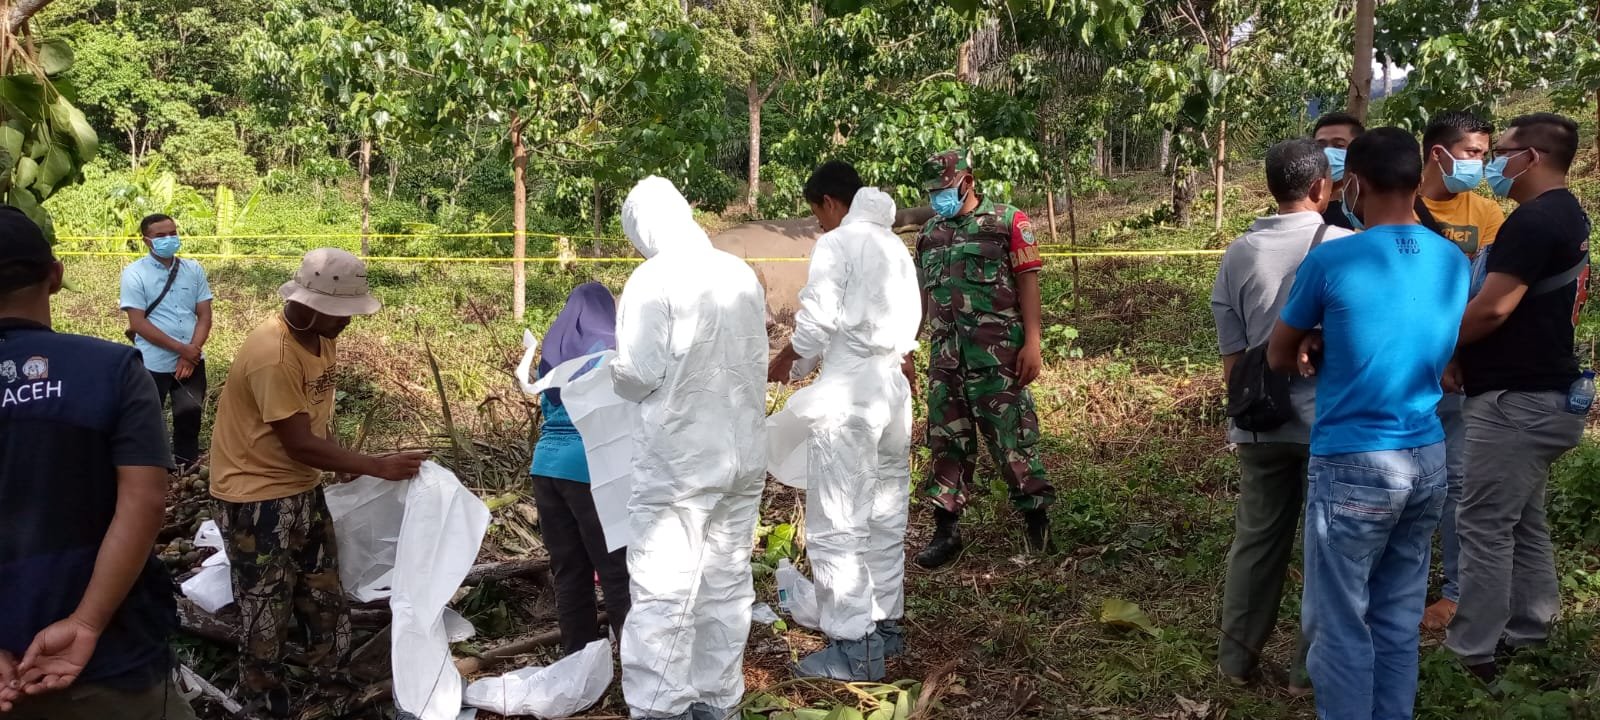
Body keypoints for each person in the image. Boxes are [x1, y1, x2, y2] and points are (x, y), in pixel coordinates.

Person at [1268, 127, 1468, 720]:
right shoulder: (1453, 259)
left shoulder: (1332, 258)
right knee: (1397, 618)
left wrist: (1317, 341)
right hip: (1427, 457)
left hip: (1355, 462)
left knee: (1341, 625)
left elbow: (1280, 354)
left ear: (1353, 182)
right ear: (1417, 178)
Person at [207, 248, 428, 717]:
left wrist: (344, 460)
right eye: (341, 313)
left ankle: (331, 686)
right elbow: (299, 444)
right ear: (310, 304)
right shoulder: (273, 354)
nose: (347, 322)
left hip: (301, 489)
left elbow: (315, 414)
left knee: (324, 592)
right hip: (256, 497)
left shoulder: (321, 338)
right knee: (266, 606)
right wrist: (375, 465)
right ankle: (265, 701)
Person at [0, 206, 197, 720]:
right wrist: (87, 623)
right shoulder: (109, 368)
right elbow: (144, 501)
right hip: (107, 663)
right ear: (56, 276)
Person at [610, 176, 768, 720]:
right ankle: (717, 700)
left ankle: (662, 708)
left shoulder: (652, 279)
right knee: (725, 584)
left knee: (662, 591)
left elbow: (638, 373)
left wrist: (606, 371)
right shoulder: (740, 272)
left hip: (679, 464)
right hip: (743, 456)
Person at [1445, 113, 1590, 682]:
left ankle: (1472, 654)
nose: (1492, 164)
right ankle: (1531, 631)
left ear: (1530, 157)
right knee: (1522, 522)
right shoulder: (1567, 212)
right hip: (1546, 396)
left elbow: (1494, 307)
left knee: (1482, 524)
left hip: (1516, 404)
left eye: (1500, 152)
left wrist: (1438, 350)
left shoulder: (1533, 221)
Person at [767, 161, 921, 681]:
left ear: (831, 202)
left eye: (817, 215)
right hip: (892, 395)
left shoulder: (838, 245)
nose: (819, 227)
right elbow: (906, 325)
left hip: (851, 398)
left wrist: (787, 360)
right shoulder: (895, 247)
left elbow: (816, 324)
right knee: (884, 513)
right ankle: (886, 626)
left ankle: (854, 646)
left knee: (837, 522)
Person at [1210, 139, 1350, 692]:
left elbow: (1232, 358)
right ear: (1321, 187)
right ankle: (1306, 674)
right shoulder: (1345, 244)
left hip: (1259, 423)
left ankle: (1236, 660)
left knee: (1256, 541)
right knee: (1327, 546)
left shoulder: (1238, 252)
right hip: (1330, 427)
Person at [912, 147, 1054, 569]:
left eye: (945, 189)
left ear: (967, 182)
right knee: (945, 444)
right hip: (946, 361)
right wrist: (908, 344)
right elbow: (923, 299)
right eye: (932, 192)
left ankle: (1036, 523)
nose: (939, 198)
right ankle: (946, 530)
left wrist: (1033, 341)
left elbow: (1028, 282)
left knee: (1012, 439)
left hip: (999, 359)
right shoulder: (929, 235)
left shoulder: (1008, 222)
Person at [1416, 110, 1506, 631]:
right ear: (1439, 153)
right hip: (1401, 365)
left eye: (1484, 153)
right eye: (1473, 153)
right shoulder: (1401, 202)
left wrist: (1456, 353)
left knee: (1455, 481)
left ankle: (1454, 590)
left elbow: (1483, 292)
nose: (1481, 163)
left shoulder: (1487, 214)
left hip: (1454, 369)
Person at [530, 282, 630, 656]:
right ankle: (637, 663)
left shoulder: (552, 348)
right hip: (590, 468)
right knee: (615, 569)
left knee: (569, 571)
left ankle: (579, 660)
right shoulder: (607, 346)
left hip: (545, 467)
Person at [120, 213, 213, 471]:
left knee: (189, 420)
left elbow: (204, 316)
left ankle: (185, 471)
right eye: (161, 236)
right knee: (149, 421)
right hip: (153, 362)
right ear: (147, 240)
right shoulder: (134, 273)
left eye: (172, 233)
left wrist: (189, 354)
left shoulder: (193, 269)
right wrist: (182, 350)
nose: (169, 239)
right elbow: (138, 324)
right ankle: (154, 472)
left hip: (192, 362)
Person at [1311, 112, 1364, 229]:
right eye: (1321, 146)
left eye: (1339, 145)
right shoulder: (1304, 207)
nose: (1328, 152)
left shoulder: (1367, 208)